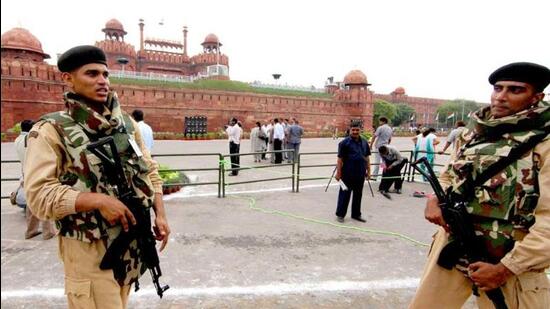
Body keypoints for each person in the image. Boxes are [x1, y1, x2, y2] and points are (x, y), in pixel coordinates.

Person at [23, 45, 170, 308]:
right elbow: (38, 195)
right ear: (67, 78)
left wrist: (159, 213)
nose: (102, 81)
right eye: (91, 74)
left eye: (105, 74)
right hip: (89, 248)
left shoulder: (125, 123)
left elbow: (150, 170)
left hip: (130, 242)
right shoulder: (50, 130)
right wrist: (97, 201)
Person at [410, 62, 550, 308]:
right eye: (498, 88)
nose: (501, 97)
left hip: (509, 257)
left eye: (515, 90)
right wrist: (434, 199)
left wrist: (506, 268)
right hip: (454, 244)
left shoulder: (544, 144)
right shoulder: (473, 133)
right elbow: (449, 176)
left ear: (536, 97)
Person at [15, 119, 57, 240]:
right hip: (36, 172)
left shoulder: (17, 140)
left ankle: (30, 231)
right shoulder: (31, 138)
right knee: (43, 200)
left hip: (25, 173)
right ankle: (48, 231)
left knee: (31, 203)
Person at [335, 121, 371, 223]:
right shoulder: (344, 143)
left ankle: (356, 214)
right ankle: (340, 214)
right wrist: (338, 173)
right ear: (350, 130)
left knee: (358, 195)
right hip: (347, 174)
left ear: (360, 130)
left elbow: (367, 157)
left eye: (357, 130)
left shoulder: (364, 142)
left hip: (360, 173)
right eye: (353, 130)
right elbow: (339, 160)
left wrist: (369, 171)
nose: (355, 132)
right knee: (344, 194)